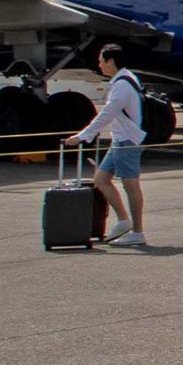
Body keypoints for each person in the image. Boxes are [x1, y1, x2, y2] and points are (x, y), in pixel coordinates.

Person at [65, 43, 148, 247]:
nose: (99, 65)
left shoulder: (122, 85)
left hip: (128, 140)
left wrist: (83, 135)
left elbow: (107, 113)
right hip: (119, 139)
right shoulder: (125, 78)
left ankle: (137, 231)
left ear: (111, 61)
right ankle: (123, 220)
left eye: (101, 61)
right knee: (101, 179)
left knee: (131, 184)